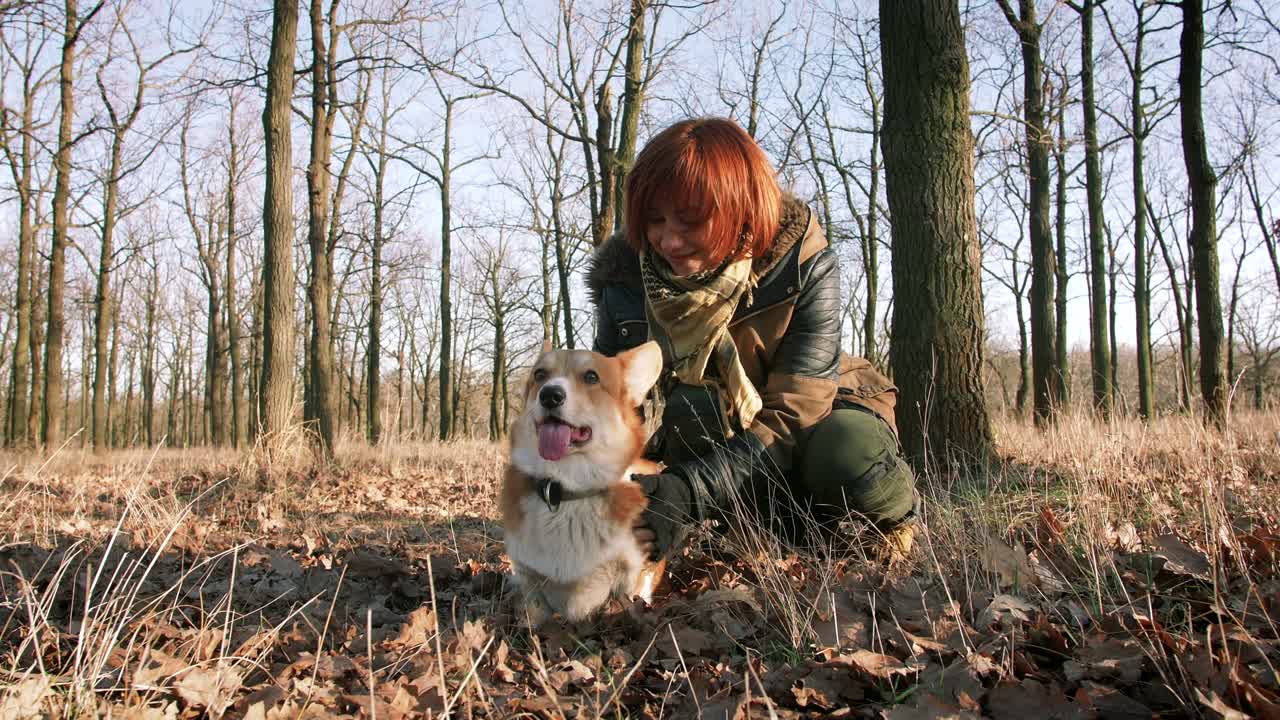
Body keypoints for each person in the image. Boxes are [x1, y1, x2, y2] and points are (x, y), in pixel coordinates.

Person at [587, 117, 918, 560]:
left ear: (737, 209)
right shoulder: (624, 282)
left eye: (689, 220)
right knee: (693, 407)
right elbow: (609, 408)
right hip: (713, 441)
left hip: (810, 421)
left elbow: (796, 415)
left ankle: (889, 526)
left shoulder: (802, 262)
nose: (668, 239)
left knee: (845, 453)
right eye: (654, 219)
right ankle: (765, 531)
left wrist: (687, 493)